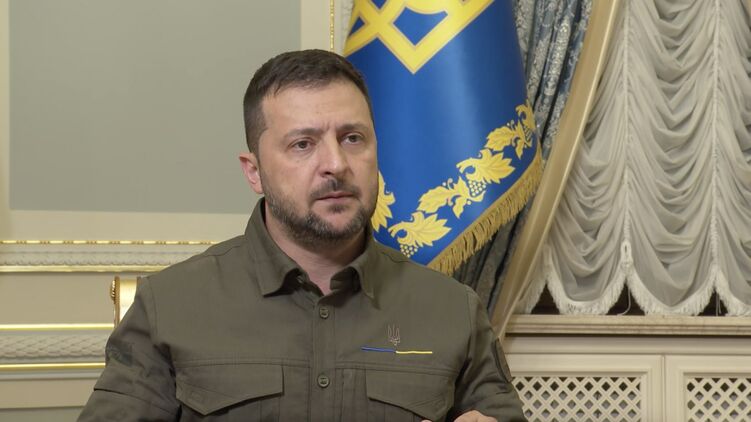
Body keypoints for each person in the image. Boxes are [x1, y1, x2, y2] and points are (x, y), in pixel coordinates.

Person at [78, 49, 526, 422]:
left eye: (353, 138)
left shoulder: (454, 312)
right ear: (254, 171)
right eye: (303, 144)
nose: (336, 164)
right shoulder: (171, 306)